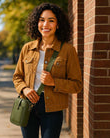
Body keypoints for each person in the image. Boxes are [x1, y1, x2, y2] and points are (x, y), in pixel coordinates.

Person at [13, 2, 82, 138]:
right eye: (42, 20)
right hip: (28, 105)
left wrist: (54, 82)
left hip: (53, 109)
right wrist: (24, 89)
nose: (45, 25)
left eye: (51, 21)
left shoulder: (68, 50)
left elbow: (77, 85)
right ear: (36, 23)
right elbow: (17, 76)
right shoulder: (27, 48)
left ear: (58, 24)